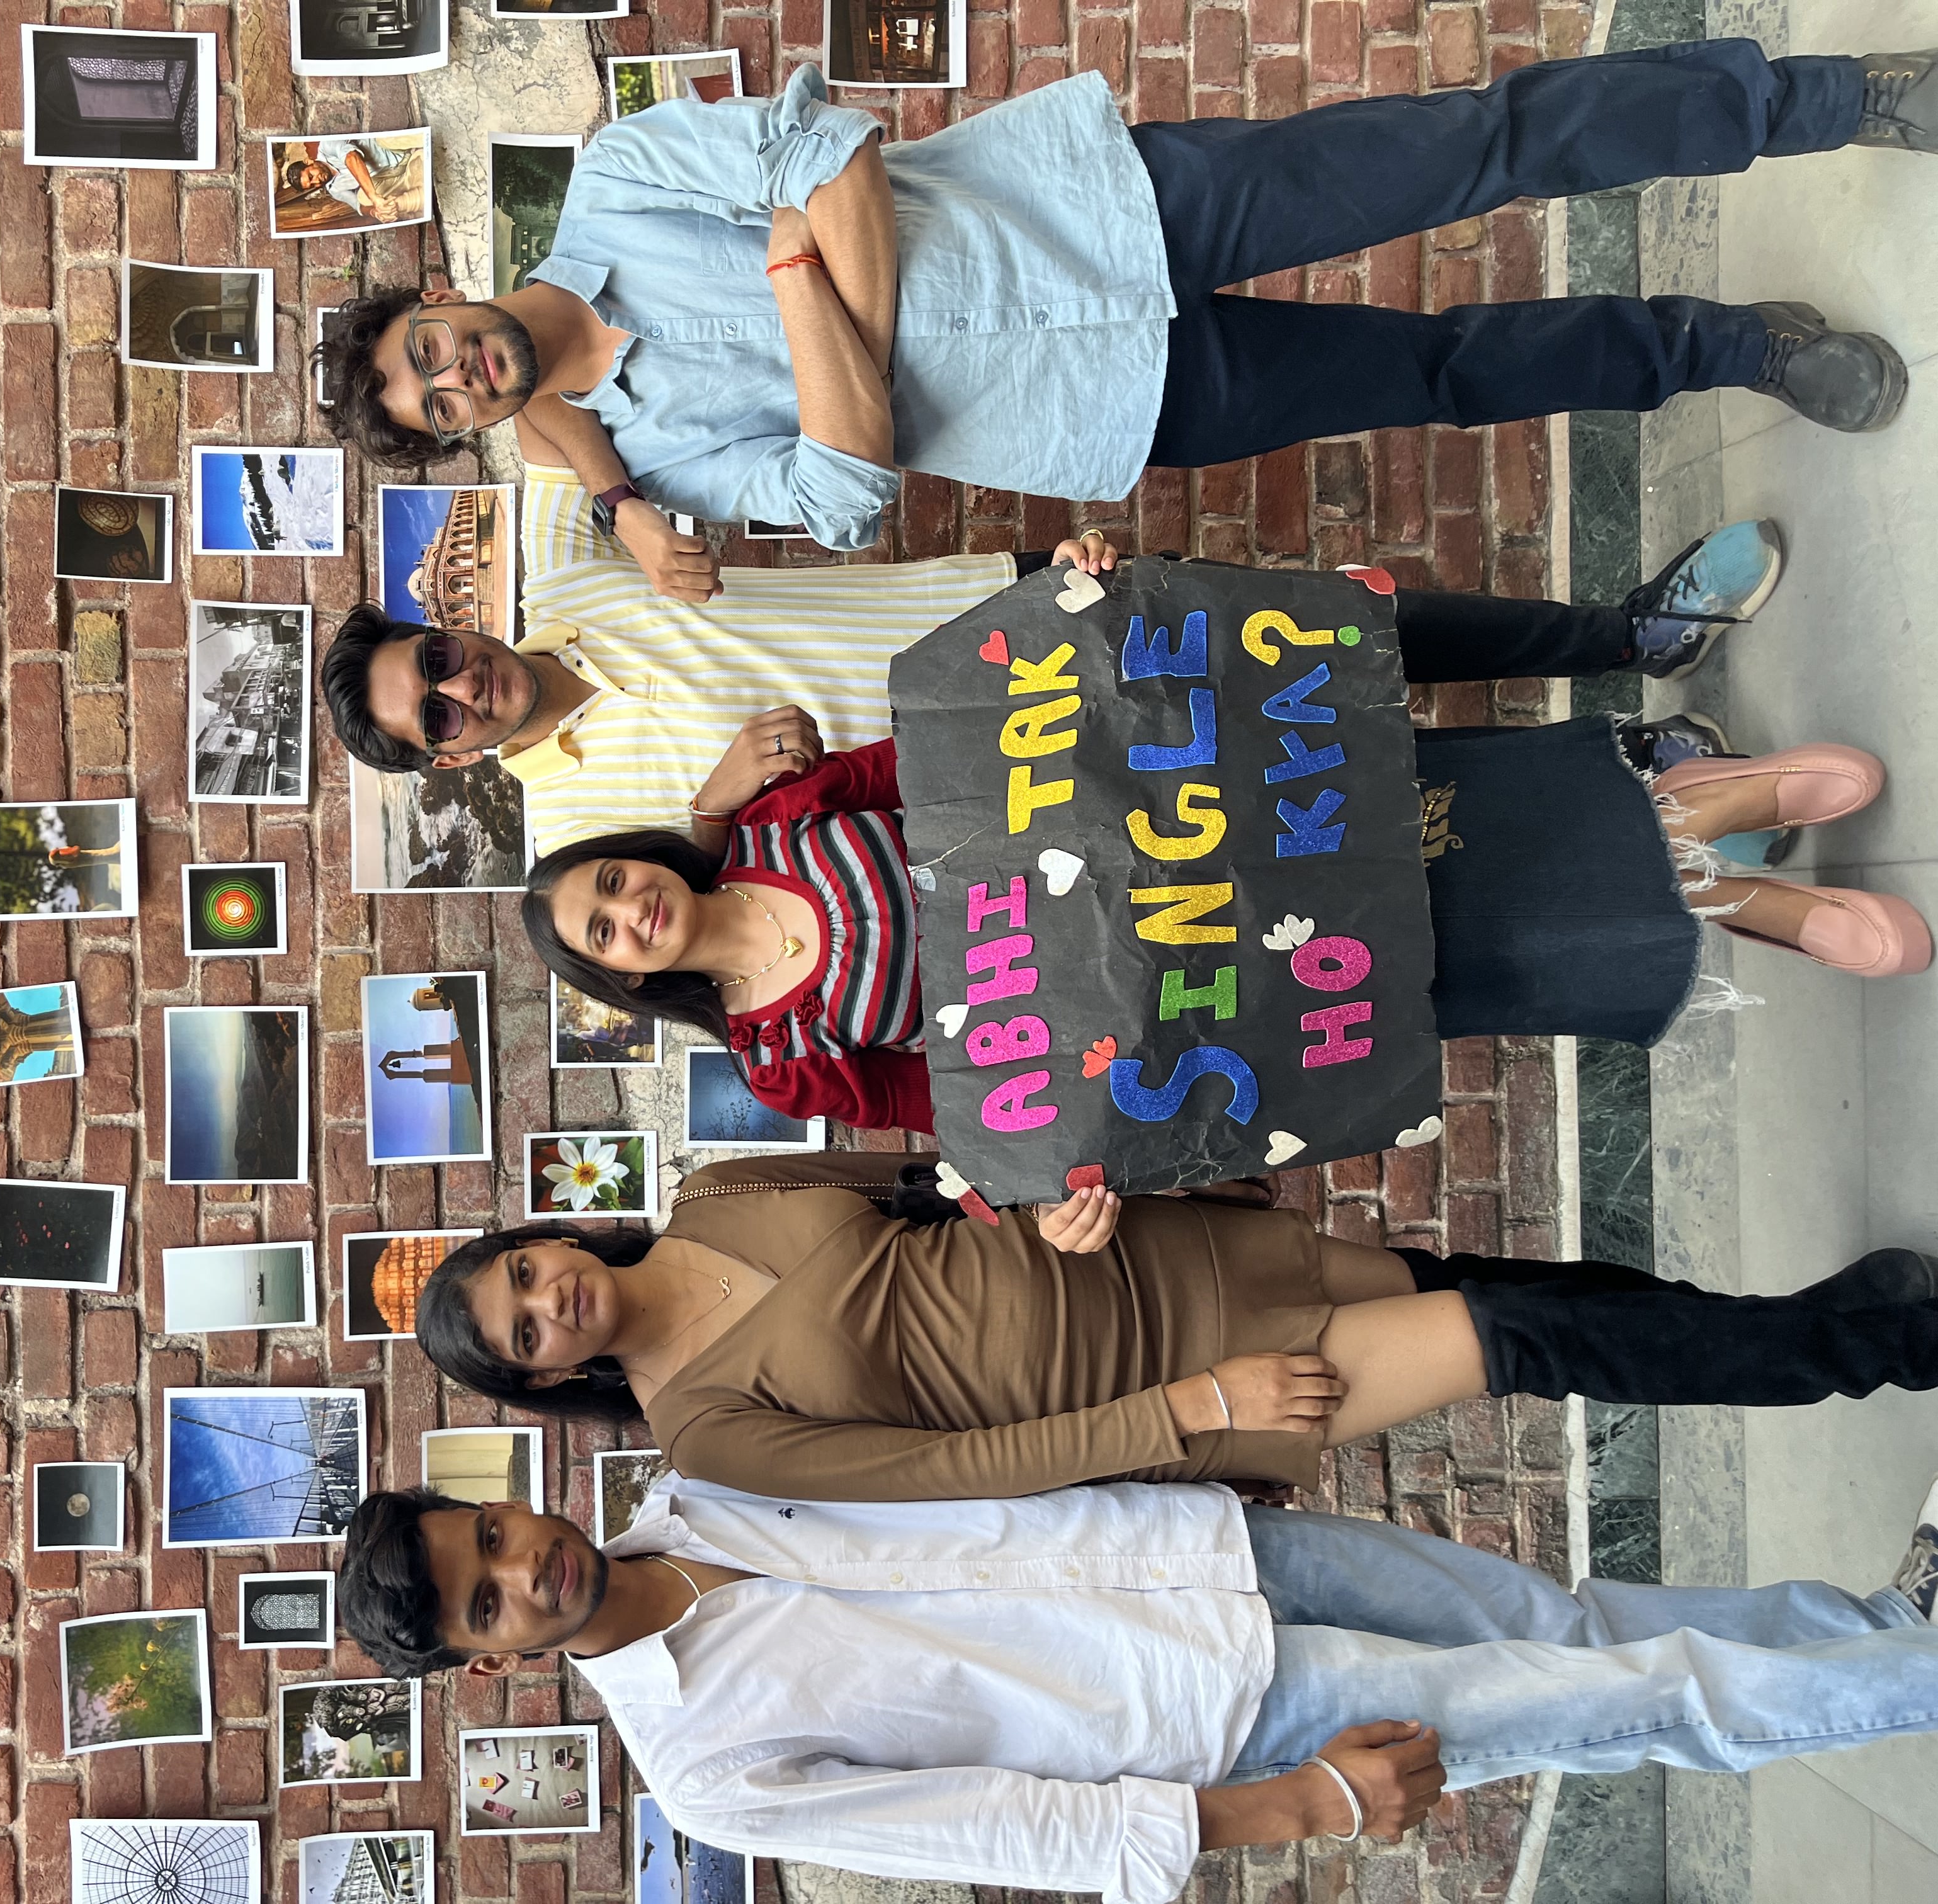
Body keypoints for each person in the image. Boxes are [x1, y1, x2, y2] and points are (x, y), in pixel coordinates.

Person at [315, 42, 1936, 565]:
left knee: (1469, 146)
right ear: (470, 429)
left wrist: (836, 348)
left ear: (438, 294)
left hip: (1105, 201)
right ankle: (1739, 348)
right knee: (1442, 376)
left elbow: (840, 152)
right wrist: (796, 268)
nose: (459, 376)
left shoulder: (619, 179)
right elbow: (850, 498)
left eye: (426, 351)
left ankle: (1821, 100)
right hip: (1107, 406)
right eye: (441, 406)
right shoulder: (655, 460)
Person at [336, 1471, 1938, 1901]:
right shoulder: (705, 1769)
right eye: (489, 1600)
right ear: (493, 1663)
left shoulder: (701, 1484)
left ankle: (1884, 1624)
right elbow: (1010, 1829)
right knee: (1644, 1697)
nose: (524, 1565)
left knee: (1576, 1629)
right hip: (1226, 1705)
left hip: (1205, 1546)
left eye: (493, 1532)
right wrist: (1300, 1806)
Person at [521, 722, 1931, 1136]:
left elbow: (942, 758)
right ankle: (1742, 899)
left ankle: (1720, 811)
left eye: (612, 883)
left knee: (1453, 833)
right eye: (608, 935)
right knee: (1467, 953)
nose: (631, 911)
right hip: (1183, 989)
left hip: (1178, 836)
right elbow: (956, 1101)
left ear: (636, 857)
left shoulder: (779, 822)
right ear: (620, 976)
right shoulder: (780, 1063)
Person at [322, 472, 1790, 852]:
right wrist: (714, 803)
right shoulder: (568, 831)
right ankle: (1634, 778)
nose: (459, 686)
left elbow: (552, 387)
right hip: (1020, 778)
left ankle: (1628, 632)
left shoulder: (566, 574)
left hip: (1017, 607)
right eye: (433, 716)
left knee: (1345, 635)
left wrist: (623, 510)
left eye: (433, 655)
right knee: (1325, 778)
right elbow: (702, 929)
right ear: (448, 760)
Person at [405, 1152, 1938, 1497]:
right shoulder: (703, 1433)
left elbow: (954, 1173)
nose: (547, 1302)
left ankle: (1831, 1318)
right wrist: (1199, 1411)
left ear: (542, 1237)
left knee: (1506, 1290)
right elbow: (953, 1474)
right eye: (525, 1334)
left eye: (521, 1276)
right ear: (552, 1375)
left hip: (1169, 1254)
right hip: (1187, 1379)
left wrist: (1051, 1190)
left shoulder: (715, 1192)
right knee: (1516, 1339)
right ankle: (1880, 1344)